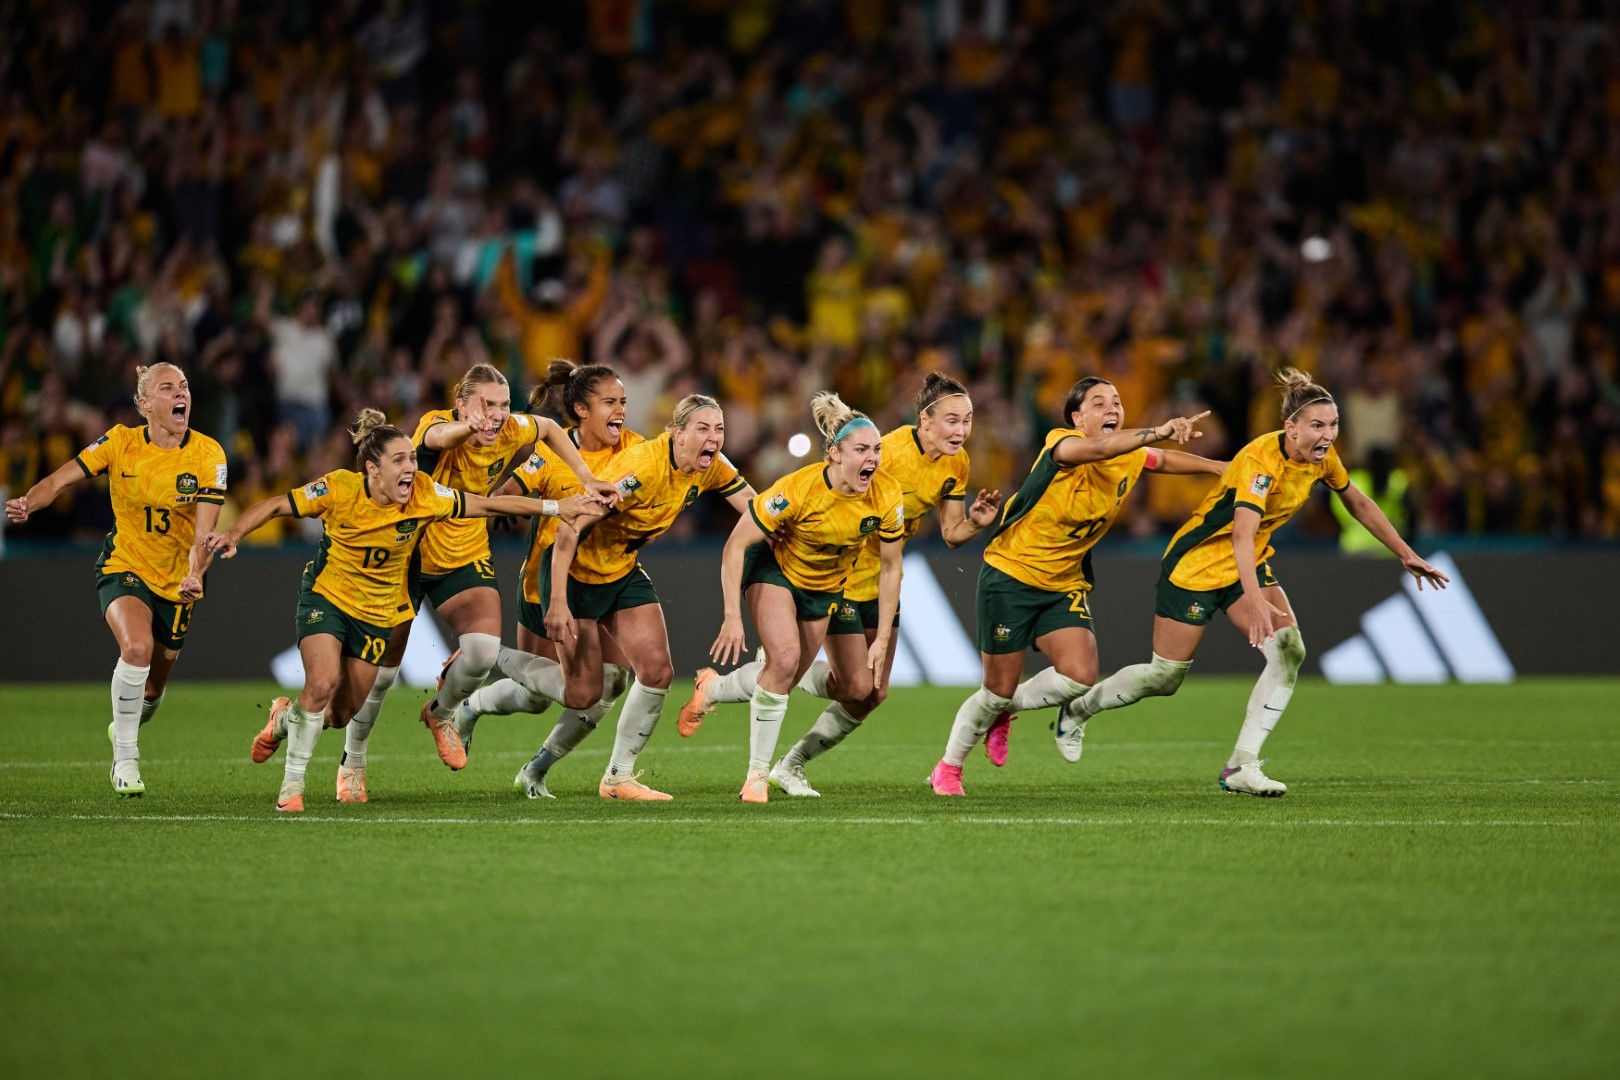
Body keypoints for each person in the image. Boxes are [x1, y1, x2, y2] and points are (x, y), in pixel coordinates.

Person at [1062, 368, 1450, 796]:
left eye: (1334, 425)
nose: (1328, 435)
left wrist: (1407, 554)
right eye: (1318, 426)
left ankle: (1240, 766)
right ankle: (1078, 709)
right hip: (1196, 566)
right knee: (1164, 678)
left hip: (1249, 564)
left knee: (1289, 650)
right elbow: (1241, 533)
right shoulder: (1260, 462)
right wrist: (1255, 599)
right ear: (1291, 427)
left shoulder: (1322, 459)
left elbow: (1356, 501)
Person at [201, 409, 597, 812]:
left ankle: (284, 718)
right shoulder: (339, 489)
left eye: (412, 458)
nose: (411, 467)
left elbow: (484, 505)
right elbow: (275, 506)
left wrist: (552, 508)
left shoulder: (425, 494)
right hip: (327, 599)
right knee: (321, 683)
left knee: (339, 714)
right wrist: (234, 533)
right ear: (373, 469)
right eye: (400, 461)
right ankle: (291, 790)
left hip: (376, 614)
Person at [699, 372, 1003, 797]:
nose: (962, 431)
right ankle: (777, 692)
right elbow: (828, 503)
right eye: (952, 420)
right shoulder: (887, 454)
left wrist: (974, 523)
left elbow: (950, 534)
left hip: (882, 581)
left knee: (869, 693)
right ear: (926, 419)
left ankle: (792, 763)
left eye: (968, 421)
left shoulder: (958, 464)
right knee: (799, 669)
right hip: (840, 580)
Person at [333, 363, 617, 803]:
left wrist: (585, 476)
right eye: (487, 405)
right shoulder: (436, 424)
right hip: (404, 555)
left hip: (461, 555)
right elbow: (439, 439)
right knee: (383, 673)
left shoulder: (510, 430)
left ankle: (441, 712)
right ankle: (353, 762)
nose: (498, 414)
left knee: (483, 652)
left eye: (504, 405)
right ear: (461, 404)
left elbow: (548, 428)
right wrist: (467, 426)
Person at [930, 378, 1223, 796]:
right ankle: (949, 767)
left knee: (1080, 675)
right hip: (1010, 577)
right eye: (1099, 403)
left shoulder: (1127, 455)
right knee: (996, 688)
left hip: (1062, 582)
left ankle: (1001, 711)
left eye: (1117, 402)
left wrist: (1220, 468)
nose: (1112, 409)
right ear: (1077, 418)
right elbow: (1106, 449)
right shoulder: (1062, 444)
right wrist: (1159, 428)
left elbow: (1159, 460)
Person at [494, 393, 756, 800]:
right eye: (703, 428)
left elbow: (759, 512)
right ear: (678, 432)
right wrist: (559, 600)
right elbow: (570, 528)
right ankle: (486, 655)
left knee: (657, 671)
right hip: (575, 571)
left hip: (621, 570)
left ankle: (618, 778)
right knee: (582, 692)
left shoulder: (711, 467)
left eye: (719, 429)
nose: (713, 437)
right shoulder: (641, 469)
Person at [4, 362, 227, 798]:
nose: (181, 393)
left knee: (154, 691)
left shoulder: (208, 455)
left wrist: (195, 574)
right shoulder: (120, 442)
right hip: (123, 564)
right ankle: (125, 759)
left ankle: (124, 724)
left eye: (184, 385)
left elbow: (204, 534)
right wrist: (30, 501)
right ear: (145, 405)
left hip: (177, 581)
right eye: (167, 388)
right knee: (137, 648)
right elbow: (60, 478)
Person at [696, 391, 905, 804]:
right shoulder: (798, 488)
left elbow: (891, 567)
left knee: (841, 684)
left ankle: (713, 689)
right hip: (774, 567)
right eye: (861, 449)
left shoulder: (887, 495)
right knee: (786, 660)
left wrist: (881, 637)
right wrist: (731, 616)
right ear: (834, 454)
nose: (873, 459)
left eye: (877, 449)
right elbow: (736, 545)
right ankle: (757, 777)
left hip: (826, 585)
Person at [449, 360, 645, 793]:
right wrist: (501, 502)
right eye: (610, 402)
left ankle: (535, 770)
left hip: (604, 581)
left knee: (612, 680)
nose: (620, 411)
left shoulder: (635, 448)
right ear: (580, 409)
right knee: (541, 697)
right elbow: (507, 495)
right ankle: (474, 696)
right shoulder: (551, 456)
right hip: (545, 587)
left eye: (623, 402)